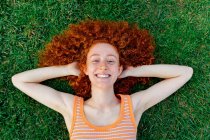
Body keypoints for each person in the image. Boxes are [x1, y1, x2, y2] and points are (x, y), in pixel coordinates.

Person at [11, 20, 193, 139]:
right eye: (95, 60)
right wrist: (67, 69)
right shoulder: (71, 108)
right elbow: (19, 81)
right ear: (85, 68)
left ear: (119, 68)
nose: (103, 66)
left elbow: (185, 73)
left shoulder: (133, 106)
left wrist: (133, 71)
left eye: (111, 61)